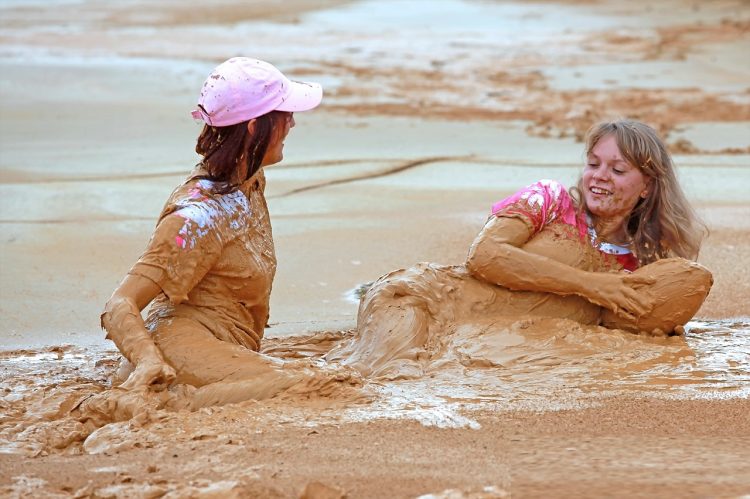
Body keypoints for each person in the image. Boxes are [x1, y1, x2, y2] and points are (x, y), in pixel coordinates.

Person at [326, 119, 713, 378]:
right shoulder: (549, 199)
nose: (598, 177)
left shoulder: (645, 259)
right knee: (369, 379)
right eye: (593, 163)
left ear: (647, 185)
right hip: (419, 299)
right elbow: (485, 257)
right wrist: (591, 285)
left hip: (476, 338)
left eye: (617, 169)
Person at [99, 57, 346, 407]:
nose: (292, 122)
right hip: (178, 350)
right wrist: (148, 361)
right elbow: (119, 304)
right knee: (314, 385)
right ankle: (164, 403)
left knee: (312, 381)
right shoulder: (197, 216)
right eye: (283, 113)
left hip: (211, 347)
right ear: (253, 128)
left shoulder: (249, 180)